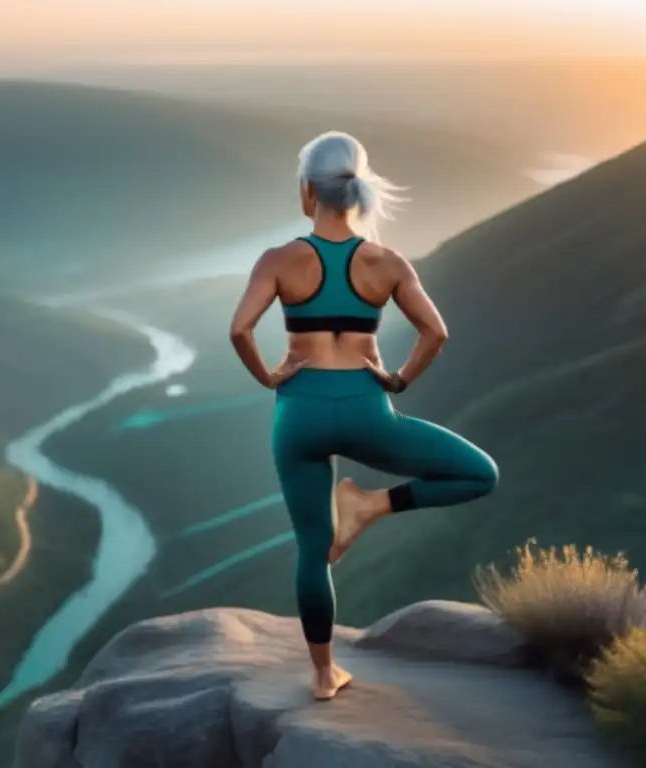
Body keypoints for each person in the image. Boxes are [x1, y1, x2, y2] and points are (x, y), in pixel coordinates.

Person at [228, 131, 500, 701]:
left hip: (298, 411)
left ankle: (324, 676)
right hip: (365, 409)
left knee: (311, 549)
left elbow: (239, 329)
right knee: (479, 474)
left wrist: (268, 376)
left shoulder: (279, 261)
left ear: (309, 193)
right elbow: (436, 333)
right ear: (358, 194)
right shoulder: (387, 263)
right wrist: (399, 378)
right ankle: (373, 504)